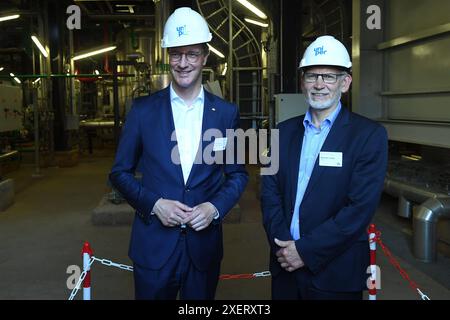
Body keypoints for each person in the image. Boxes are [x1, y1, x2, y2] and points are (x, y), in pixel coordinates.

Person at [109, 7, 248, 300]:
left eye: (192, 54)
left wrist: (214, 208)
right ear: (167, 56)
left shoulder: (226, 113)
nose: (183, 63)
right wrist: (155, 203)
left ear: (205, 57)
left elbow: (237, 175)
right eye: (176, 54)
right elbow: (119, 172)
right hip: (153, 248)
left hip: (203, 251)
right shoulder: (143, 110)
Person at [260, 35, 388, 300]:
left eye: (329, 77)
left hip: (335, 274)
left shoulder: (368, 136)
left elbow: (358, 209)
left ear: (345, 83)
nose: (319, 84)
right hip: (285, 265)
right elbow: (269, 192)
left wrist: (304, 251)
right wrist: (284, 246)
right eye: (311, 75)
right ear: (302, 81)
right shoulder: (281, 132)